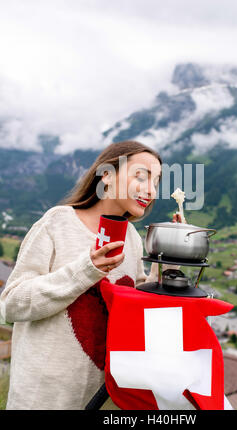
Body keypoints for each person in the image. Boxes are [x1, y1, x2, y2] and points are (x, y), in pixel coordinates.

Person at [0, 140, 183, 410]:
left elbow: (133, 308)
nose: (151, 190)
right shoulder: (57, 223)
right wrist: (87, 270)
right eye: (141, 177)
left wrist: (164, 257)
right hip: (42, 399)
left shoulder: (131, 238)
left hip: (98, 401)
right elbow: (11, 305)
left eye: (156, 182)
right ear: (106, 175)